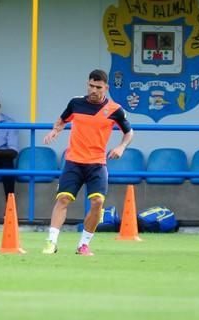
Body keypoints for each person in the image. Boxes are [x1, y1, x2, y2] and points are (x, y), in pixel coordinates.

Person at [42, 69, 133, 256]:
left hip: (97, 164)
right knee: (63, 199)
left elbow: (129, 132)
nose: (93, 90)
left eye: (98, 87)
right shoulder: (76, 103)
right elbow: (62, 119)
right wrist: (55, 131)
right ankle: (51, 243)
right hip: (73, 162)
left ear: (106, 88)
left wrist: (121, 147)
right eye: (91, 86)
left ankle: (83, 245)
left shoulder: (115, 110)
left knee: (98, 202)